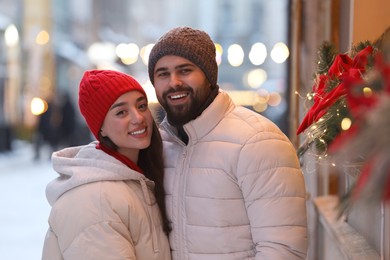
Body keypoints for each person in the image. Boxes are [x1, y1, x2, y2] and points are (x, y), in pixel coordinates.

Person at [148, 26, 308, 259]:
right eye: (163, 74)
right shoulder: (159, 146)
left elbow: (283, 249)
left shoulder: (258, 141)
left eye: (185, 70)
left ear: (209, 75)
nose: (174, 82)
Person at [42, 70, 171, 260]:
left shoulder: (136, 180)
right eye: (121, 112)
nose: (138, 118)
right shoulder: (96, 201)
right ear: (100, 126)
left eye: (141, 106)